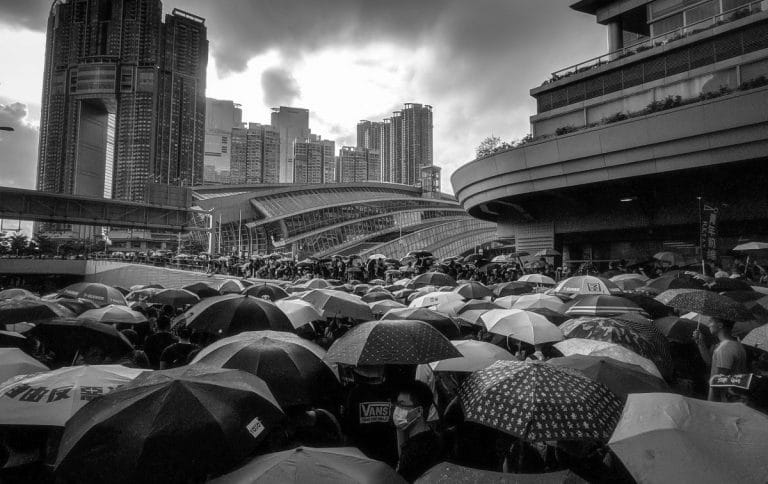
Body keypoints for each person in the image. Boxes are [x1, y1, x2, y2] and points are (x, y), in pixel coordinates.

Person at [393, 381, 443, 482]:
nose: (397, 410)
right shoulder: (432, 436)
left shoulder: (415, 451)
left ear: (419, 411)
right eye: (397, 404)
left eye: (402, 405)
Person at [693, 317, 748, 401]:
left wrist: (711, 403)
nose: (708, 325)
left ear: (720, 325)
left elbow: (718, 381)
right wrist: (700, 343)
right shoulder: (736, 344)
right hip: (734, 399)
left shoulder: (725, 348)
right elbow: (711, 362)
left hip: (723, 401)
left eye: (711, 322)